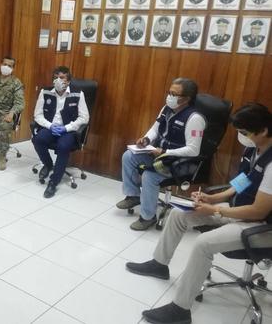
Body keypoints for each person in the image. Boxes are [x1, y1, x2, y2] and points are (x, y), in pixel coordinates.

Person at [125, 103, 272, 324]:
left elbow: (259, 210)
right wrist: (213, 199)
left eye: (244, 133)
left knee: (204, 243)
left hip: (262, 225)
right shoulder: (254, 149)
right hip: (240, 212)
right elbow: (241, 183)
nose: (241, 138)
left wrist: (214, 210)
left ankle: (180, 310)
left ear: (263, 131)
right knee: (178, 215)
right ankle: (159, 264)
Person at [116, 78, 206, 231]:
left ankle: (148, 217)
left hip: (179, 163)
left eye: (174, 94)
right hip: (159, 155)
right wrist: (146, 139)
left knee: (149, 176)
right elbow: (155, 129)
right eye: (169, 92)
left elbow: (193, 150)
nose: (170, 96)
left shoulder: (194, 118)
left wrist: (165, 152)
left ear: (187, 98)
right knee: (128, 156)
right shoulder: (166, 109)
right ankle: (133, 196)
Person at [32, 66, 89, 198]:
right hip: (51, 127)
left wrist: (67, 128)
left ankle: (53, 182)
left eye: (62, 77)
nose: (58, 80)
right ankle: (48, 164)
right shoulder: (45, 91)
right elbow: (38, 115)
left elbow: (84, 117)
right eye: (56, 77)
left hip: (68, 130)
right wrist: (50, 126)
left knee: (63, 146)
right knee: (38, 139)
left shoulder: (78, 93)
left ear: (68, 81)